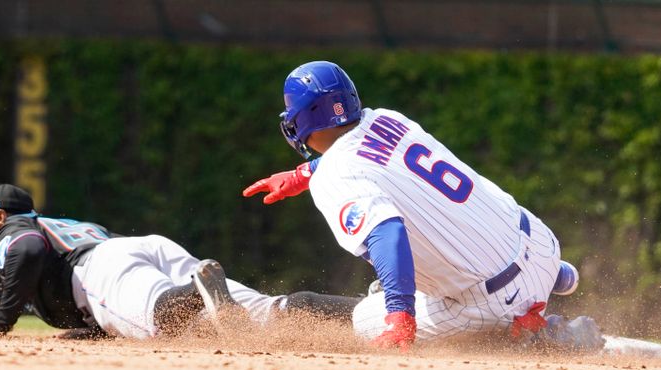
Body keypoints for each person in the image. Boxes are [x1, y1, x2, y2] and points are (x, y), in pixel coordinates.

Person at [243, 60, 580, 349]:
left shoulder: (335, 176)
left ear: (299, 121)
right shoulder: (388, 120)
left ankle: (543, 335)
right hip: (542, 244)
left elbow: (387, 232)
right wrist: (303, 173)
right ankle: (555, 279)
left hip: (493, 302)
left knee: (364, 318)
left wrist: (400, 315)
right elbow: (360, 154)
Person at [0, 183, 358, 339]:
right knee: (270, 312)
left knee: (163, 320)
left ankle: (198, 290)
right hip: (139, 251)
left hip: (97, 273)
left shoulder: (11, 233)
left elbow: (28, 251)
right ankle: (370, 310)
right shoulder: (61, 225)